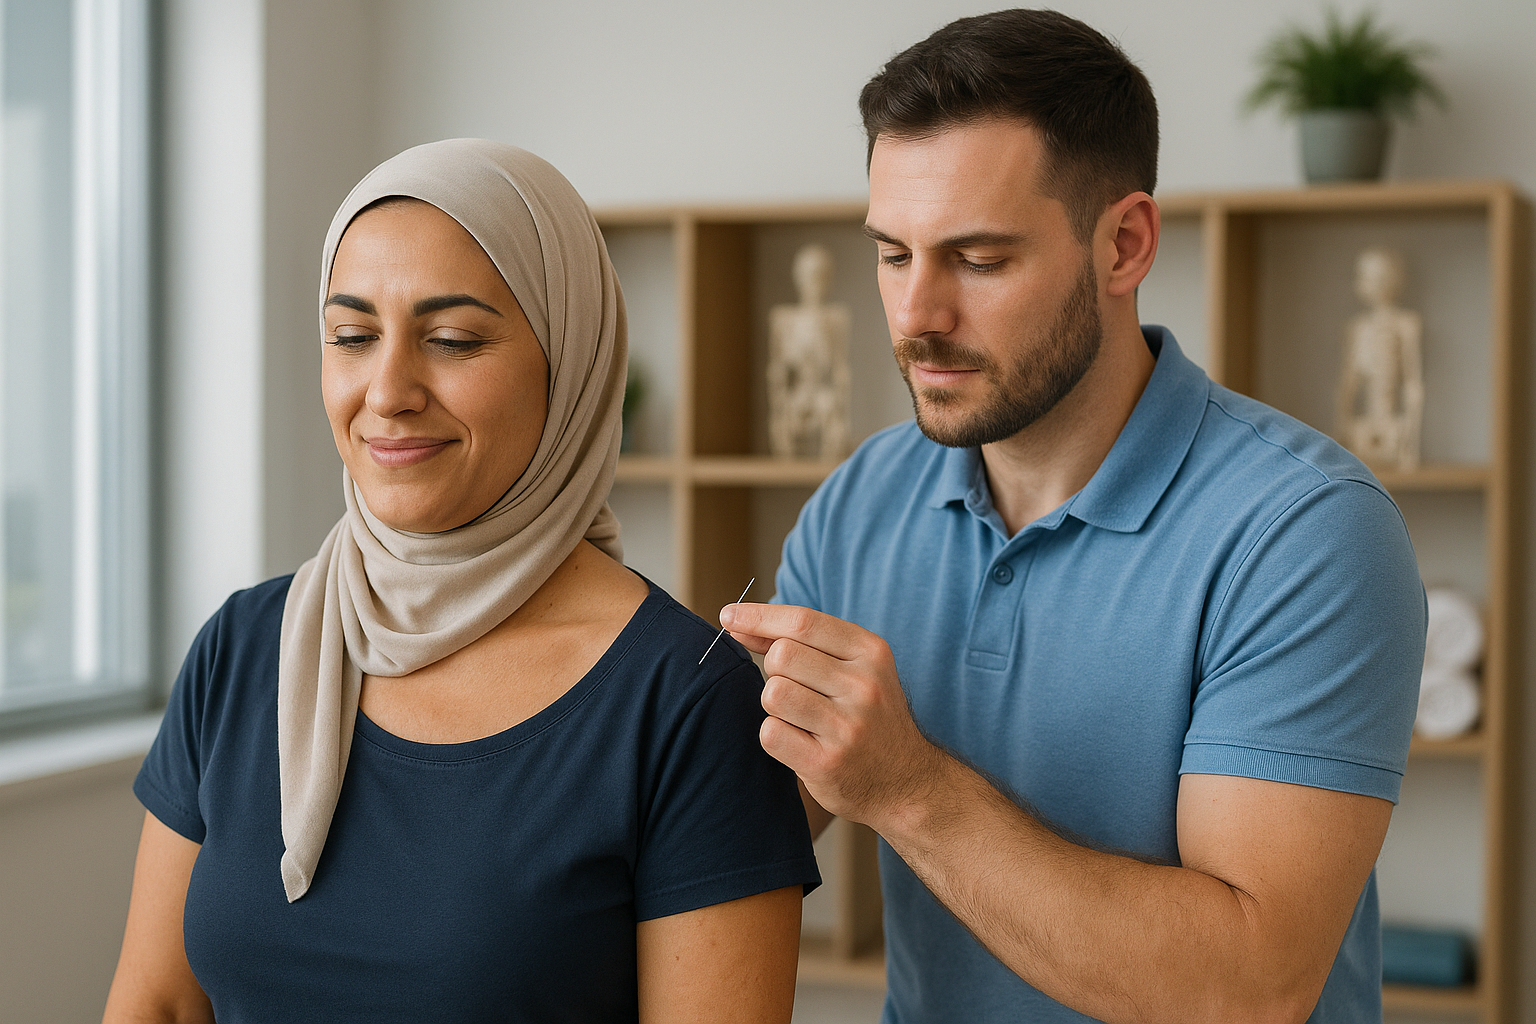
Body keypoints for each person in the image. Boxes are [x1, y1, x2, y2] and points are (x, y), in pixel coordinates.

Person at [723, 11, 1424, 1024]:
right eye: (891, 253)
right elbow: (742, 828)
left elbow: (1250, 987)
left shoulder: (1306, 531)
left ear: (1125, 244)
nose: (917, 313)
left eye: (978, 258)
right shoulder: (861, 501)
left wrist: (910, 787)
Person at [103, 139, 818, 1024]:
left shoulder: (686, 701)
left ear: (570, 362)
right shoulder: (244, 647)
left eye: (451, 340)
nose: (389, 389)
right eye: (353, 336)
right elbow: (161, 1006)